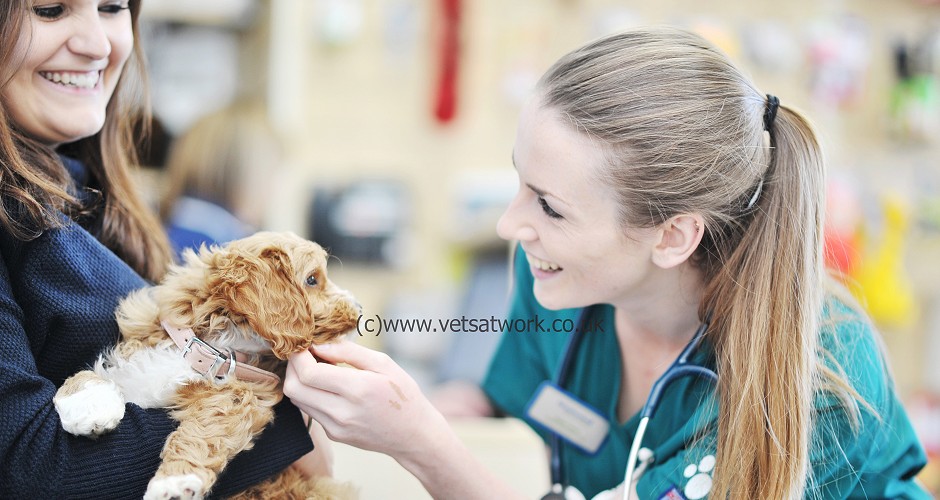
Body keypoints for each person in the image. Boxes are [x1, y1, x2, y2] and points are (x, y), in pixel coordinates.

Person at [284, 26, 931, 499]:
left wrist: (422, 443)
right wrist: (451, 406)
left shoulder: (817, 379)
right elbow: (520, 392)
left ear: (674, 236)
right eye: (519, 183)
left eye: (550, 207)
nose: (512, 226)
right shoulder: (548, 284)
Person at [0, 1, 325, 497]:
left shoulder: (93, 197)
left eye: (112, 8)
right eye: (49, 9)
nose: (98, 43)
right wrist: (285, 414)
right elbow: (29, 467)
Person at [158, 100, 283, 256]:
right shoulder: (231, 254)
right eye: (272, 173)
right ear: (248, 178)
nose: (274, 190)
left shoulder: (163, 229)